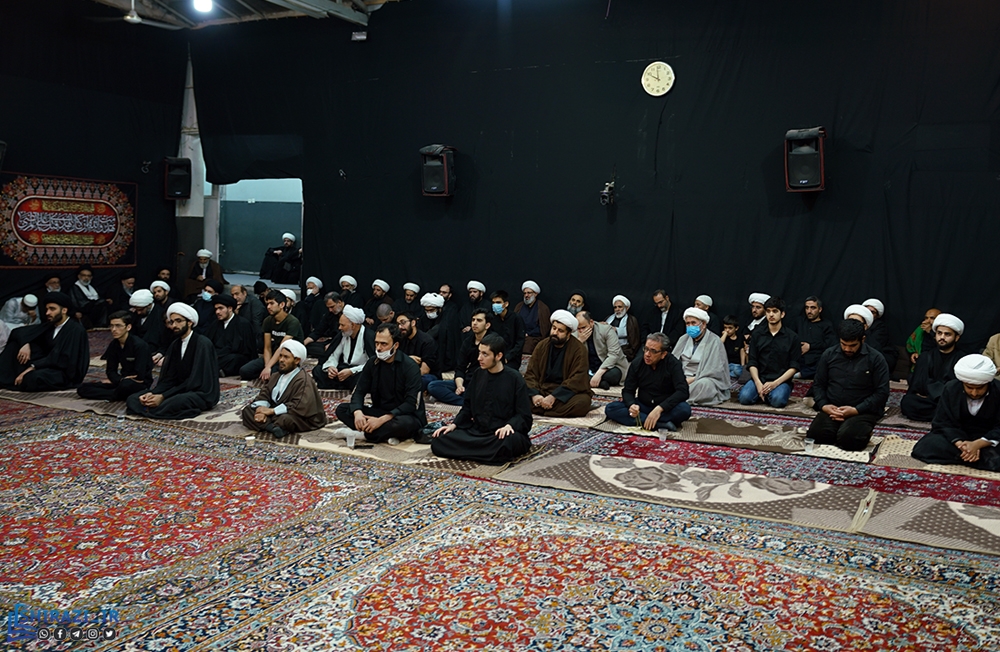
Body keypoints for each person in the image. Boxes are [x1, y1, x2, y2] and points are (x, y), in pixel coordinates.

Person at [430, 333, 533, 461]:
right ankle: (482, 453)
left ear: (498, 356)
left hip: (500, 434)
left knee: (508, 443)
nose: (479, 358)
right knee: (439, 439)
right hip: (478, 431)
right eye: (479, 353)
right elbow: (467, 407)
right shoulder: (478, 374)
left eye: (485, 354)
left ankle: (474, 452)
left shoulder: (515, 378)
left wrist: (509, 426)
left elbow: (524, 416)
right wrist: (454, 425)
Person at [334, 322, 427, 444]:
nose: (378, 348)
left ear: (396, 345)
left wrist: (382, 420)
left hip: (403, 415)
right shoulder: (372, 363)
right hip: (379, 411)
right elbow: (359, 391)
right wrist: (358, 413)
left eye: (384, 344)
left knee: (404, 424)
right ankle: (384, 434)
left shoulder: (410, 367)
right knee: (342, 409)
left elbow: (411, 403)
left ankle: (363, 435)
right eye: (376, 343)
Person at [807, 319, 891, 451]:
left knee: (850, 440)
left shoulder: (876, 359)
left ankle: (856, 430)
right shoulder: (829, 355)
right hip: (833, 408)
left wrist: (856, 410)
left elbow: (882, 393)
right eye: (843, 344)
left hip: (861, 410)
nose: (847, 349)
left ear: (862, 340)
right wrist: (824, 406)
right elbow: (818, 385)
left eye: (852, 345)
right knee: (816, 435)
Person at [125, 303, 220, 420]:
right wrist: (154, 393)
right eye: (172, 322)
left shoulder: (202, 344)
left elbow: (195, 381)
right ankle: (153, 409)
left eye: (178, 321)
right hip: (177, 389)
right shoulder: (175, 344)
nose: (174, 325)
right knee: (133, 399)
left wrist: (163, 396)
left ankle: (152, 409)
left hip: (198, 392)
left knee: (175, 402)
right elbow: (169, 378)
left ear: (190, 322)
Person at [911, 354, 1000, 471]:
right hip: (960, 435)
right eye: (969, 387)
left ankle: (967, 457)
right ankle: (975, 457)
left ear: (988, 383)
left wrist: (977, 444)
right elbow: (942, 422)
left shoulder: (998, 390)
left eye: (979, 388)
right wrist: (961, 445)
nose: (974, 393)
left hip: (988, 438)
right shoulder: (951, 388)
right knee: (925, 446)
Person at [0, 292, 89, 392]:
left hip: (63, 372)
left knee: (32, 378)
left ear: (64, 310)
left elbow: (63, 358)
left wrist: (32, 367)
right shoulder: (51, 325)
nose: (47, 313)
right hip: (46, 363)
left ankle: (16, 379)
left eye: (52, 309)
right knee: (15, 346)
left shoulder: (75, 330)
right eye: (47, 309)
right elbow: (18, 332)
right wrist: (25, 343)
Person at [605, 332, 692, 431]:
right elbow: (628, 390)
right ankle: (659, 424)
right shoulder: (637, 363)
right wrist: (631, 405)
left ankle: (645, 420)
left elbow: (683, 391)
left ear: (663, 354)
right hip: (643, 405)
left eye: (653, 351)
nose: (647, 354)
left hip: (665, 407)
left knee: (684, 410)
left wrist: (660, 408)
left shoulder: (673, 364)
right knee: (611, 408)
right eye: (646, 349)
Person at [241, 340, 327, 438]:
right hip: (276, 411)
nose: (281, 360)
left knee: (285, 419)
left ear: (297, 360)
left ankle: (269, 425)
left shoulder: (303, 380)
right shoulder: (276, 376)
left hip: (299, 415)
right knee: (247, 411)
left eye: (286, 357)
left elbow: (299, 406)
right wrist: (260, 410)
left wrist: (272, 411)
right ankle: (273, 428)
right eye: (280, 356)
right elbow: (264, 394)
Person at [523, 310, 593, 418]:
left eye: (560, 331)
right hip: (542, 389)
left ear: (568, 334)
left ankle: (542, 409)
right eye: (554, 328)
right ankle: (546, 407)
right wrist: (535, 395)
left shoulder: (579, 349)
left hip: (564, 393)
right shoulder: (542, 346)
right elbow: (531, 373)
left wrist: (554, 397)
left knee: (582, 402)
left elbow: (577, 378)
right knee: (516, 394)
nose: (555, 333)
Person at [899, 313, 964, 422]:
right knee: (908, 402)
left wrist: (934, 392)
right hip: (928, 400)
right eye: (939, 333)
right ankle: (942, 415)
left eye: (947, 334)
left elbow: (957, 387)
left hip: (946, 400)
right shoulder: (925, 356)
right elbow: (918, 384)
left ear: (956, 338)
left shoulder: (962, 359)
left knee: (957, 405)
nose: (942, 337)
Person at [739, 297, 801, 408]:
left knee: (778, 401)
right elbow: (752, 362)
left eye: (775, 311)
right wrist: (758, 383)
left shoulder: (792, 337)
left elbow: (794, 366)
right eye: (768, 311)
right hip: (760, 378)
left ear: (782, 314)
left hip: (781, 380)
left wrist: (775, 384)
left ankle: (768, 394)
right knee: (744, 398)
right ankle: (764, 393)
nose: (771, 315)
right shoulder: (757, 334)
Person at [77, 310, 153, 401]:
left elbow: (139, 375)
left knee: (126, 385)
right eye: (111, 326)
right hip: (121, 381)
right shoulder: (114, 344)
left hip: (138, 384)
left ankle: (114, 395)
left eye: (118, 326)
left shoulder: (139, 346)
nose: (113, 329)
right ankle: (115, 395)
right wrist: (119, 379)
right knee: (82, 388)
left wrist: (123, 380)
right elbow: (110, 371)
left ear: (128, 327)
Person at [427, 309, 492, 405]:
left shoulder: (493, 342)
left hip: (483, 382)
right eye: (473, 320)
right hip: (467, 381)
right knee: (433, 386)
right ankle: (464, 402)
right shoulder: (468, 341)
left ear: (487, 325)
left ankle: (467, 399)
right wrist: (459, 386)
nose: (474, 323)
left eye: (479, 320)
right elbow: (460, 368)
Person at [239, 290, 305, 381]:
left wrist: (269, 367)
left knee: (274, 375)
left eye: (272, 303)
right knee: (244, 371)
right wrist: (267, 366)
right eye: (267, 304)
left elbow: (282, 346)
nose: (268, 307)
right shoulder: (268, 321)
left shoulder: (292, 322)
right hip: (274, 355)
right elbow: (267, 347)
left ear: (282, 305)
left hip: (289, 356)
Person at [672, 307, 730, 406]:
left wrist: (691, 380)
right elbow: (672, 362)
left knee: (705, 385)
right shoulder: (683, 339)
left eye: (693, 323)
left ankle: (675, 397)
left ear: (703, 324)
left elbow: (714, 370)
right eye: (688, 323)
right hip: (681, 377)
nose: (690, 326)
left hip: (699, 379)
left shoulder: (715, 341)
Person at [314, 305, 375, 390]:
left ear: (353, 325)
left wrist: (351, 371)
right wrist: (331, 367)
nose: (339, 328)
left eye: (342, 325)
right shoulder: (344, 334)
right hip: (343, 369)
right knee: (318, 370)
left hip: (359, 370)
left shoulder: (369, 336)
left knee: (364, 378)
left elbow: (372, 363)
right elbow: (334, 355)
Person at [575, 310, 628, 390]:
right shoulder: (575, 333)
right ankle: (600, 383)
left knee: (613, 375)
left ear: (591, 322)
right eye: (578, 328)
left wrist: (599, 374)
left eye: (583, 328)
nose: (581, 331)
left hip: (609, 367)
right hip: (589, 369)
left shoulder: (606, 330)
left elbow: (614, 355)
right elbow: (570, 355)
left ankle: (592, 381)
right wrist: (579, 342)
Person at [207, 294, 257, 377]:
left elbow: (246, 350)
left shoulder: (243, 324)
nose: (217, 312)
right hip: (217, 356)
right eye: (216, 309)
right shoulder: (215, 324)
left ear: (230, 308)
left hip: (232, 358)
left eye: (220, 308)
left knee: (235, 359)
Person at [796, 296, 836, 379]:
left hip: (817, 360)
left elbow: (830, 344)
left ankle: (802, 374)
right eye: (807, 308)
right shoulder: (799, 322)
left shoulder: (826, 325)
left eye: (813, 308)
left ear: (820, 309)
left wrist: (810, 346)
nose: (809, 311)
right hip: (800, 359)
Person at [395, 311, 438, 389]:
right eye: (398, 324)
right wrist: (408, 359)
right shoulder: (400, 339)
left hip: (426, 375)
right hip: (405, 374)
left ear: (413, 323)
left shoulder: (427, 341)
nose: (400, 327)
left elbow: (424, 371)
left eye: (403, 322)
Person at [489, 290, 525, 371]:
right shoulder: (493, 319)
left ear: (506, 304)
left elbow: (520, 341)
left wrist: (508, 357)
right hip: (496, 356)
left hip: (512, 358)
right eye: (493, 303)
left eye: (498, 302)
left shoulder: (516, 318)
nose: (495, 305)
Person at [303, 291, 345, 360]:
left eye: (332, 307)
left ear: (339, 303)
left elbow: (346, 334)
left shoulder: (349, 313)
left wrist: (333, 344)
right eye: (328, 308)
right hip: (332, 341)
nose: (330, 310)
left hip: (344, 342)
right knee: (308, 346)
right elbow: (318, 331)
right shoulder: (330, 314)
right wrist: (303, 343)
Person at [863, 298, 898, 374]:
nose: (869, 313)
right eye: (866, 310)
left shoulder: (880, 327)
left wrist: (865, 329)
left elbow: (873, 346)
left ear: (877, 316)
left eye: (872, 312)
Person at [514, 280, 551, 354]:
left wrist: (528, 334)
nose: (526, 295)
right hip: (519, 335)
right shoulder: (519, 307)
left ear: (535, 294)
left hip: (534, 337)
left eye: (529, 293)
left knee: (528, 345)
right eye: (524, 293)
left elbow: (544, 328)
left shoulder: (542, 308)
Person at [607, 295, 641, 360]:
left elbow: (633, 335)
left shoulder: (631, 320)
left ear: (626, 308)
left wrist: (616, 330)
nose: (617, 309)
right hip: (607, 348)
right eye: (615, 307)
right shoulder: (609, 318)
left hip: (623, 350)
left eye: (620, 307)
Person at [721, 315, 746, 380]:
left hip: (736, 365)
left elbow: (742, 350)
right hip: (725, 364)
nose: (727, 330)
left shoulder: (740, 337)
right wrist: (724, 335)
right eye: (725, 328)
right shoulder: (723, 337)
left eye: (730, 328)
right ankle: (729, 375)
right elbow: (719, 345)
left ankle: (729, 375)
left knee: (737, 371)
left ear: (736, 328)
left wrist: (742, 365)